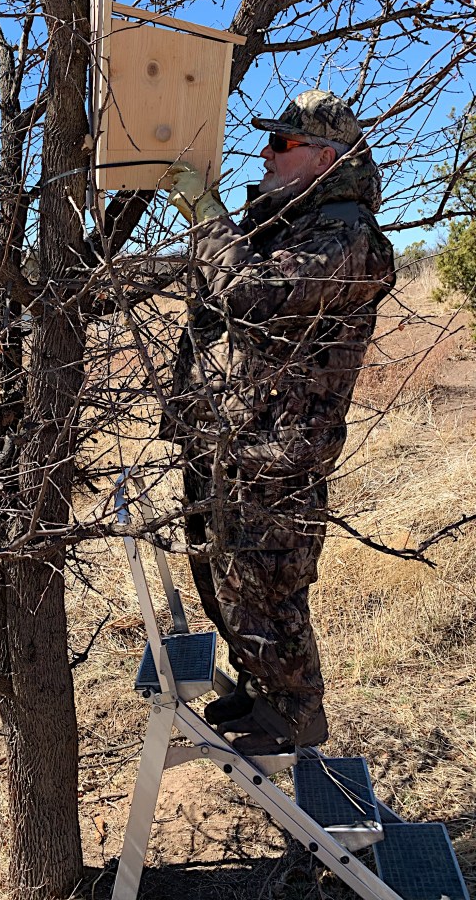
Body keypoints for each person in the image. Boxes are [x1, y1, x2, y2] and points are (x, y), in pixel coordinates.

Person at [161, 90, 395, 756]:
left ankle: (295, 713)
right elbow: (216, 291)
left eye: (282, 145)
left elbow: (251, 294)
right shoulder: (288, 224)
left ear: (325, 158)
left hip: (281, 450)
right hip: (236, 434)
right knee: (225, 576)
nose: (265, 153)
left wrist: (207, 216)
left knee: (268, 581)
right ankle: (257, 687)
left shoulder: (346, 237)